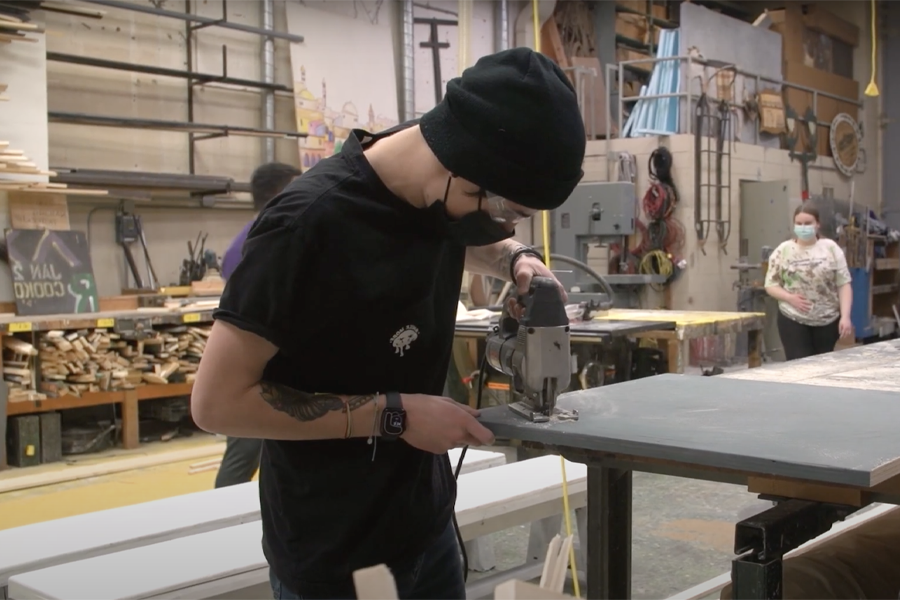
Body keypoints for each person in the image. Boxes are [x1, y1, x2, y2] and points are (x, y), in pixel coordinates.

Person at [191, 47, 585, 600]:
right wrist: (395, 416)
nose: (499, 225)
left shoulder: (433, 180)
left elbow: (465, 235)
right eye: (505, 211)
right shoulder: (305, 226)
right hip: (338, 558)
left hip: (426, 528)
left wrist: (517, 257)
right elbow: (215, 403)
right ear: (465, 177)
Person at [213, 162, 302, 489]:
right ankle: (220, 523)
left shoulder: (251, 238)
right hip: (260, 368)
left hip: (270, 362)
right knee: (243, 452)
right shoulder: (263, 240)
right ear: (279, 193)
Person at [764, 205, 853, 361]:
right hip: (793, 316)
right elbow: (771, 284)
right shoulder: (783, 250)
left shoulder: (831, 249)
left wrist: (845, 316)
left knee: (822, 364)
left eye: (808, 223)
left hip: (827, 319)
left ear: (817, 224)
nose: (803, 227)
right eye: (799, 223)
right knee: (799, 364)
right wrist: (789, 297)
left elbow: (843, 284)